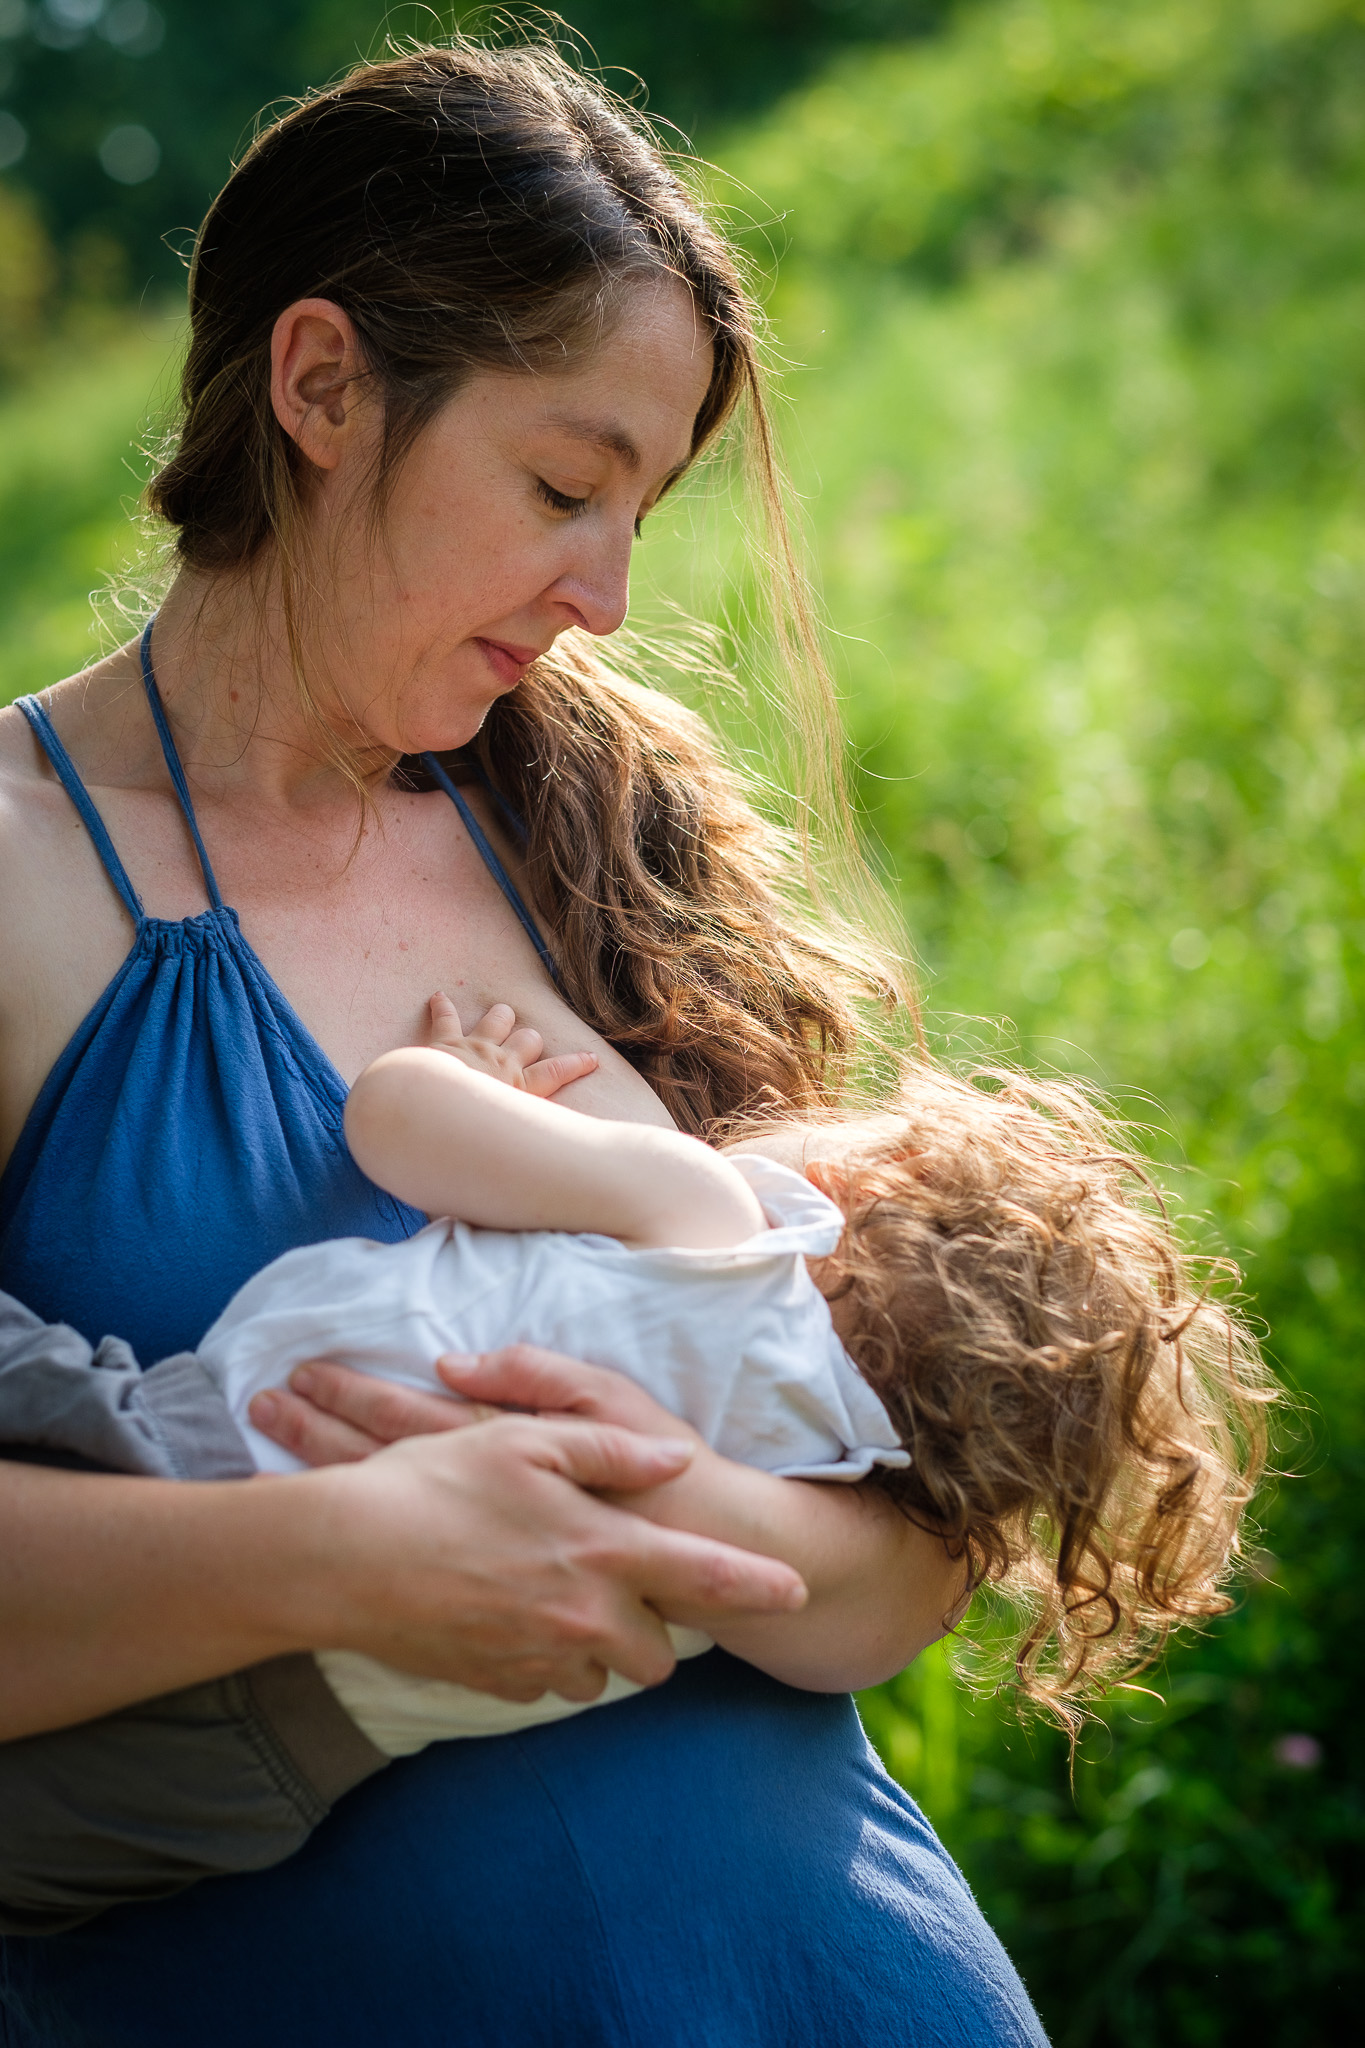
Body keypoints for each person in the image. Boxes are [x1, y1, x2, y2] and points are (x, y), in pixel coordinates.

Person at [0, 38, 1052, 2047]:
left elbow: (908, 1544)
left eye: (637, 509)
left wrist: (589, 1513)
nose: (606, 593)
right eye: (562, 485)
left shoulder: (593, 824)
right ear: (318, 385)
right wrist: (333, 1552)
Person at [0, 979, 1265, 1933]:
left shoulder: (714, 1222)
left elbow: (395, 1124)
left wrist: (460, 1069)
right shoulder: (821, 1478)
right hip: (280, 1758)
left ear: (856, 1180)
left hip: (186, 1448)